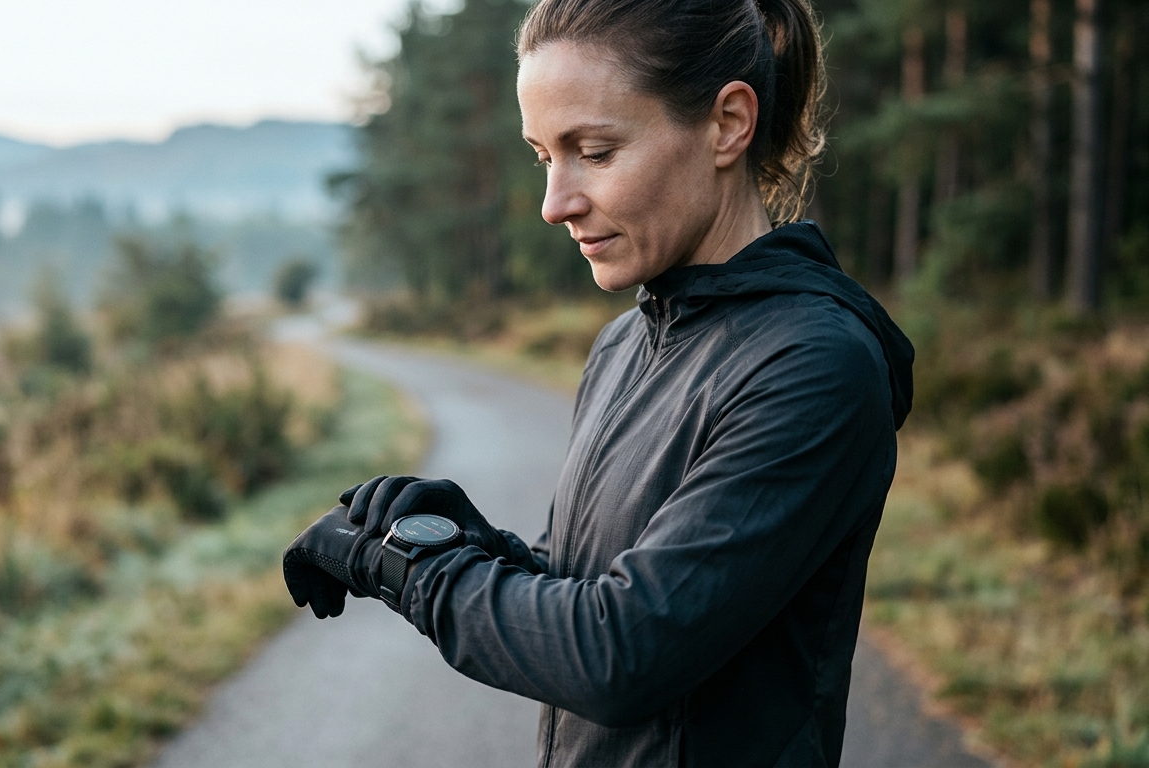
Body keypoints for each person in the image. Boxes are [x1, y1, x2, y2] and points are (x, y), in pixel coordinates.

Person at [282, 0, 915, 764]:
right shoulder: (625, 343)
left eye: (596, 151)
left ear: (727, 125)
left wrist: (401, 567)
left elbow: (621, 652)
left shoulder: (813, 365)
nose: (556, 204)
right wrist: (474, 540)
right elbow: (589, 587)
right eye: (545, 157)